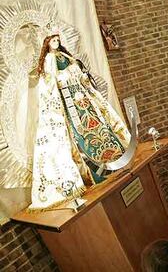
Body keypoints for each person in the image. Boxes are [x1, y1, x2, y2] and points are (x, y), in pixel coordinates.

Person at [32, 34, 131, 211]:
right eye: (53, 40)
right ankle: (96, 174)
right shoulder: (49, 59)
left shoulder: (66, 56)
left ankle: (115, 161)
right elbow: (50, 83)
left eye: (58, 40)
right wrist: (65, 78)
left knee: (101, 127)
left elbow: (78, 73)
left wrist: (79, 75)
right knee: (81, 136)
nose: (57, 43)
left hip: (82, 100)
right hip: (70, 105)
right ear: (47, 43)